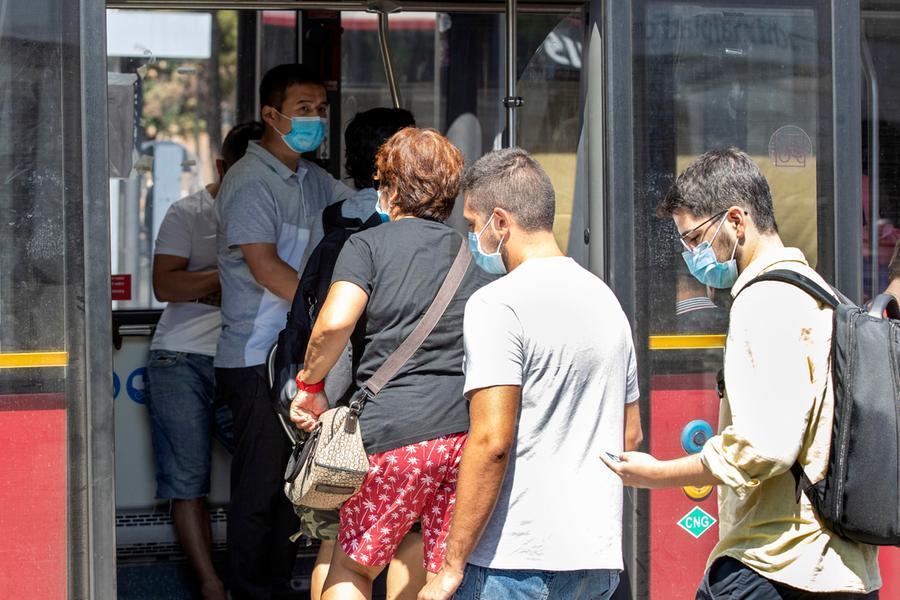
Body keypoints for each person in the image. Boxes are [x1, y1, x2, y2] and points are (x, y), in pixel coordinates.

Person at [601, 148, 881, 599]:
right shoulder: (824, 293)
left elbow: (765, 446)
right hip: (843, 567)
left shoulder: (762, 300)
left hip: (777, 563)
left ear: (735, 221)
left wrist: (659, 473)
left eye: (694, 238)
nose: (690, 255)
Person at [417, 148, 643, 600]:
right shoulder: (605, 300)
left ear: (500, 222)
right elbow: (631, 436)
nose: (471, 236)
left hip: (513, 560)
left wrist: (450, 566)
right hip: (596, 562)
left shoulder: (496, 303)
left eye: (472, 222)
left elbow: (491, 442)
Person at [289, 128, 493, 600]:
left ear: (390, 188)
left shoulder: (367, 246)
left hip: (391, 437)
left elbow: (333, 325)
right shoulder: (473, 258)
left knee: (354, 566)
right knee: (432, 569)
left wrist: (309, 384)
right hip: (462, 440)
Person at [215, 64, 354, 599]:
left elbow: (364, 209)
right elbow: (265, 267)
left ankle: (275, 587)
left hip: (296, 356)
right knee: (258, 492)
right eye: (303, 110)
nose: (315, 120)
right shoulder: (250, 181)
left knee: (293, 490)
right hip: (255, 360)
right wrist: (327, 314)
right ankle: (251, 591)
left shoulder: (313, 178)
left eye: (321, 110)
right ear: (270, 116)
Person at [298, 107, 424, 600]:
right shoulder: (418, 238)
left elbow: (323, 322)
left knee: (335, 548)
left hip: (339, 414)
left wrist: (313, 392)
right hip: (401, 412)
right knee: (404, 544)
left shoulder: (332, 222)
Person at [146, 121, 263, 600]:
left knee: (270, 471)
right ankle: (212, 586)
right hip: (182, 359)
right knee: (187, 478)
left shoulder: (274, 207)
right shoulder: (188, 212)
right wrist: (237, 268)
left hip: (246, 358)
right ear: (222, 168)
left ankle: (254, 577)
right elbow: (165, 285)